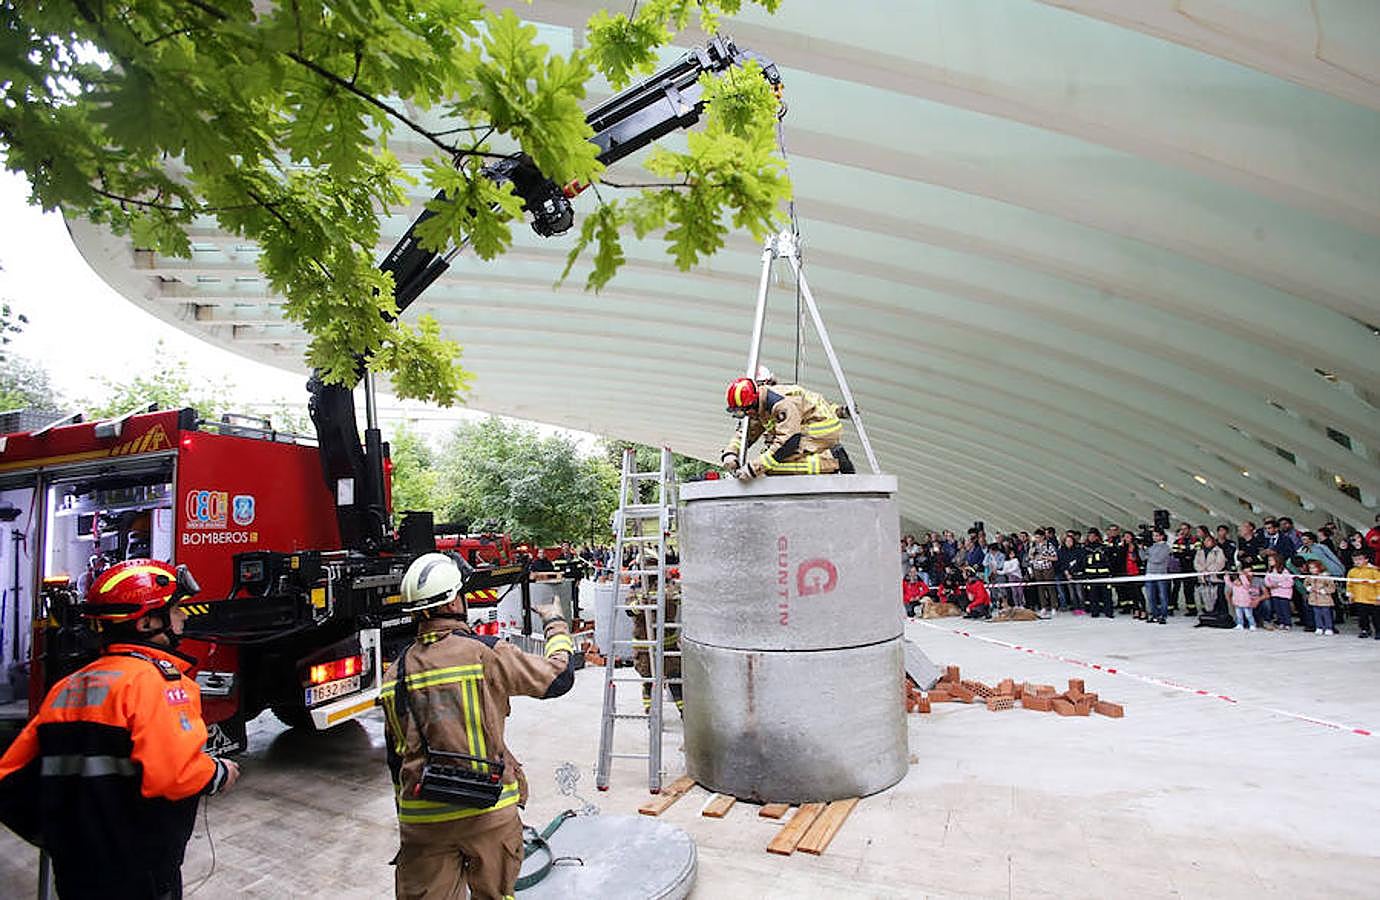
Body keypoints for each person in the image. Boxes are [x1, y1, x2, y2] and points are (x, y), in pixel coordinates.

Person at [0, 559, 239, 899]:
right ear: (146, 623)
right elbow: (176, 774)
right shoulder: (158, 684)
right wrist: (219, 772)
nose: (185, 617)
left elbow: (10, 779)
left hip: (75, 875)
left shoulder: (67, 687)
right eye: (176, 610)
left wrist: (59, 839)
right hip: (141, 874)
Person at [383, 552, 575, 900]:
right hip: (488, 809)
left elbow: (396, 759)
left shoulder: (394, 673)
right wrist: (556, 623)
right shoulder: (486, 653)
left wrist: (409, 824)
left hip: (422, 819)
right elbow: (558, 679)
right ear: (455, 599)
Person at [720, 376, 853, 478]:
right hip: (805, 427)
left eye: (742, 411)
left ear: (751, 405)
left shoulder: (780, 404)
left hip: (821, 430)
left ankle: (833, 460)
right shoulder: (759, 405)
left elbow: (788, 442)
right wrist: (730, 453)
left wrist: (753, 469)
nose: (743, 416)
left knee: (774, 466)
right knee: (768, 460)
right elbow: (747, 433)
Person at [626, 554, 683, 715]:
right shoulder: (636, 588)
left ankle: (683, 711)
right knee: (649, 681)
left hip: (668, 644)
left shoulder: (667, 586)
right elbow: (629, 610)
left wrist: (668, 596)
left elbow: (678, 598)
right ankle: (650, 711)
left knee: (674, 680)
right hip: (645, 645)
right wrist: (641, 604)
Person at [1345, 551, 1380, 640]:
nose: (1357, 562)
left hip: (1373, 599)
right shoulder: (1352, 571)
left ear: (1366, 560)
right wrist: (1350, 594)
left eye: (1360, 559)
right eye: (1355, 560)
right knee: (1362, 617)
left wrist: (1378, 597)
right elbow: (1349, 584)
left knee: (1376, 617)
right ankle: (1365, 629)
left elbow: (1378, 584)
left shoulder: (1374, 571)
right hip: (1359, 598)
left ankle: (1378, 631)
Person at [1141, 529, 1172, 624]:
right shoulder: (1151, 546)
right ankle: (1154, 614)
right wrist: (1141, 548)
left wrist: (1149, 556)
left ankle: (1163, 615)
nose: (1155, 537)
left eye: (1157, 535)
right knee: (1150, 596)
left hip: (1161, 574)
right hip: (1149, 573)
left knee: (1163, 596)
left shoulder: (1166, 547)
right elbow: (1143, 557)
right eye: (1154, 536)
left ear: (1162, 536)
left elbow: (1158, 559)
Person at [1081, 529, 1113, 618]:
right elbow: (1083, 562)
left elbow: (1109, 561)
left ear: (1097, 537)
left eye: (1093, 536)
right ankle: (1095, 612)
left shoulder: (1104, 547)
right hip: (1091, 575)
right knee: (1093, 595)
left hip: (1104, 575)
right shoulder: (1085, 548)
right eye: (1089, 536)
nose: (1091, 538)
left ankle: (1108, 612)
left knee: (1106, 594)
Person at [1193, 535, 1226, 620]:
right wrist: (1202, 570)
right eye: (1205, 540)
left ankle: (1220, 613)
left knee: (1218, 597)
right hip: (1203, 579)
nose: (1206, 542)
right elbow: (1196, 563)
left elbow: (1220, 563)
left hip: (1215, 578)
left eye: (1208, 540)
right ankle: (1208, 612)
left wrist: (1209, 570)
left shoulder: (1218, 551)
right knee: (1205, 597)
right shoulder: (1200, 551)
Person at [1262, 552, 1295, 631]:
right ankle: (1281, 622)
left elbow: (1290, 582)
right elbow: (1266, 580)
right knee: (1278, 609)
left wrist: (1279, 584)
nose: (1269, 562)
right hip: (1274, 593)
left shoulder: (1284, 571)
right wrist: (1270, 585)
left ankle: (1287, 623)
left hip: (1284, 594)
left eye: (1271, 560)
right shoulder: (1270, 571)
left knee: (1285, 609)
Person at [1303, 559, 1336, 636]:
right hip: (1313, 599)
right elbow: (1305, 584)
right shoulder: (1309, 577)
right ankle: (1319, 627)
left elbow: (1332, 588)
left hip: (1325, 599)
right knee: (1317, 614)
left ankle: (1328, 628)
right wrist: (1309, 588)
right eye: (1310, 568)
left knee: (1326, 614)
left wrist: (1324, 591)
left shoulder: (1326, 576)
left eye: (1314, 568)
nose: (1312, 570)